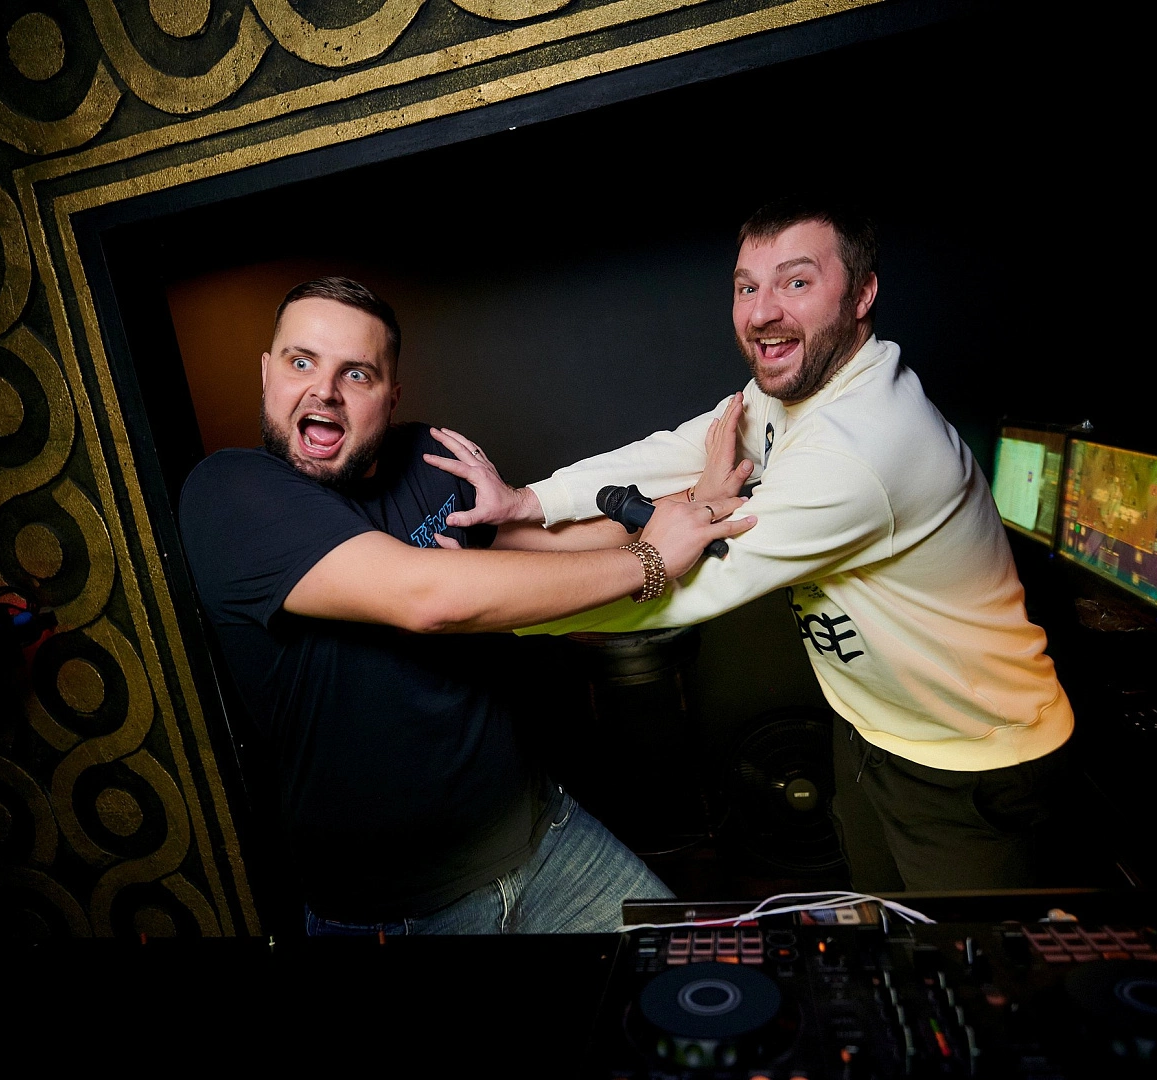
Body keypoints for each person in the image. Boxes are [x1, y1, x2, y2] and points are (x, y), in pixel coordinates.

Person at [430, 196, 1076, 892]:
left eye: (796, 282)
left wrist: (484, 601)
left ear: (862, 294)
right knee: (881, 925)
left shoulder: (862, 448)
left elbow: (678, 587)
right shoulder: (799, 391)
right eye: (747, 287)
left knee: (961, 962)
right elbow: (684, 448)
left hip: (975, 757)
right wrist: (531, 500)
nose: (762, 312)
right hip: (871, 726)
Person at [177, 276, 752, 935]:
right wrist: (649, 561)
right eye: (300, 362)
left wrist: (684, 509)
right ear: (266, 373)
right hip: (401, 913)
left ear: (391, 396)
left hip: (546, 840)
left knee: (696, 980)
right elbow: (428, 597)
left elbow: (527, 550)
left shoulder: (426, 455)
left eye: (356, 373)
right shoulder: (229, 495)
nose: (324, 391)